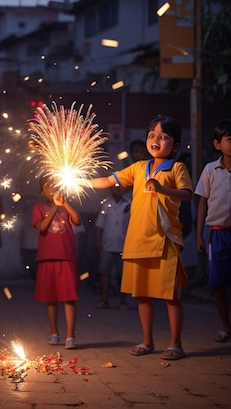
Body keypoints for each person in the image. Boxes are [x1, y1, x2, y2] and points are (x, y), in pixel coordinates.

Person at [83, 115, 193, 360]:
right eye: (152, 135)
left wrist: (162, 188)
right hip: (137, 240)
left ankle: (176, 344)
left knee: (171, 296)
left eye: (164, 137)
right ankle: (147, 341)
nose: (156, 140)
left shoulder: (177, 168)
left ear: (175, 145)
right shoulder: (138, 168)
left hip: (165, 239)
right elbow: (109, 180)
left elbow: (187, 194)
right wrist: (79, 182)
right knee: (142, 295)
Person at [32, 175, 82, 349]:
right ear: (42, 191)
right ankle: (54, 332)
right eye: (48, 186)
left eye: (56, 185)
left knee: (69, 298)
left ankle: (70, 336)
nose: (53, 189)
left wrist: (64, 204)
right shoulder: (38, 208)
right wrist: (55, 207)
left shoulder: (66, 208)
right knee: (51, 299)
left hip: (66, 257)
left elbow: (77, 220)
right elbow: (43, 227)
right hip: (47, 258)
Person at [195, 118, 231, 343]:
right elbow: (202, 203)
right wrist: (199, 235)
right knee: (219, 285)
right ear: (218, 144)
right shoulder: (211, 170)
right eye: (230, 139)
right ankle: (226, 327)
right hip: (218, 233)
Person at [94, 184, 131, 310]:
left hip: (123, 245)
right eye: (115, 187)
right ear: (110, 189)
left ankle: (123, 301)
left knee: (122, 275)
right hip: (107, 244)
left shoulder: (129, 204)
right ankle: (104, 300)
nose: (117, 189)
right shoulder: (106, 204)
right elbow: (100, 225)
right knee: (105, 272)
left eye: (120, 187)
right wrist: (98, 240)